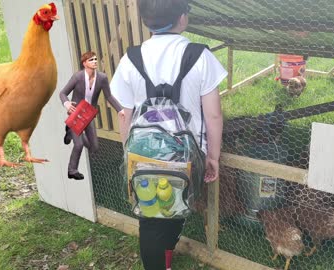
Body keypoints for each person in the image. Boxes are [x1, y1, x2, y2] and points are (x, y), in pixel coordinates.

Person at [110, 0, 226, 269]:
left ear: (144, 20)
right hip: (187, 155)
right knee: (176, 203)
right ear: (183, 18)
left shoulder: (132, 58)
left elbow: (124, 114)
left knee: (151, 213)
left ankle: (162, 261)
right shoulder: (200, 56)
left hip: (143, 153)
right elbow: (214, 115)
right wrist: (213, 157)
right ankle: (162, 261)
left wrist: (129, 153)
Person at [60, 51, 124, 180]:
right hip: (77, 114)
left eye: (95, 59)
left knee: (94, 147)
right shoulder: (77, 77)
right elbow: (63, 93)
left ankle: (70, 132)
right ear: (84, 63)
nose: (94, 61)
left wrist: (120, 109)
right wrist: (66, 103)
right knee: (78, 145)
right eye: (91, 60)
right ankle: (72, 170)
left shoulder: (102, 78)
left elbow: (109, 96)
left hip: (89, 114)